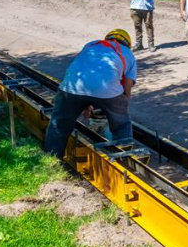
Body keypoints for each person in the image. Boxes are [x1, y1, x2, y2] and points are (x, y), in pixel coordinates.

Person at [44, 29, 137, 158]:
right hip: (107, 90)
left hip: (71, 86)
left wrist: (86, 102)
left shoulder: (92, 44)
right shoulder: (128, 53)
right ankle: (125, 158)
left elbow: (85, 70)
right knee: (122, 125)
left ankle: (52, 159)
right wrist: (120, 107)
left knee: (59, 124)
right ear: (127, 44)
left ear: (107, 38)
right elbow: (127, 86)